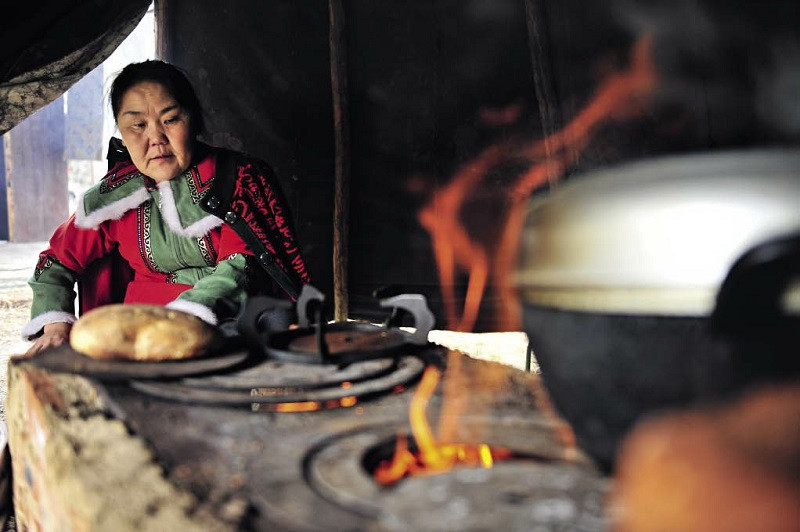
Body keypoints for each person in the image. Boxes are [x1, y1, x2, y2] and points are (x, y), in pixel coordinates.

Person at [22, 60, 311, 355]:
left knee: (276, 327)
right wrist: (57, 325)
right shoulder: (114, 197)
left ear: (194, 121)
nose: (156, 139)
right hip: (140, 331)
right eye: (137, 125)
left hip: (227, 320)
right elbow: (56, 260)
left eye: (171, 120)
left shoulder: (238, 180)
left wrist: (184, 318)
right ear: (122, 131)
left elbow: (241, 264)